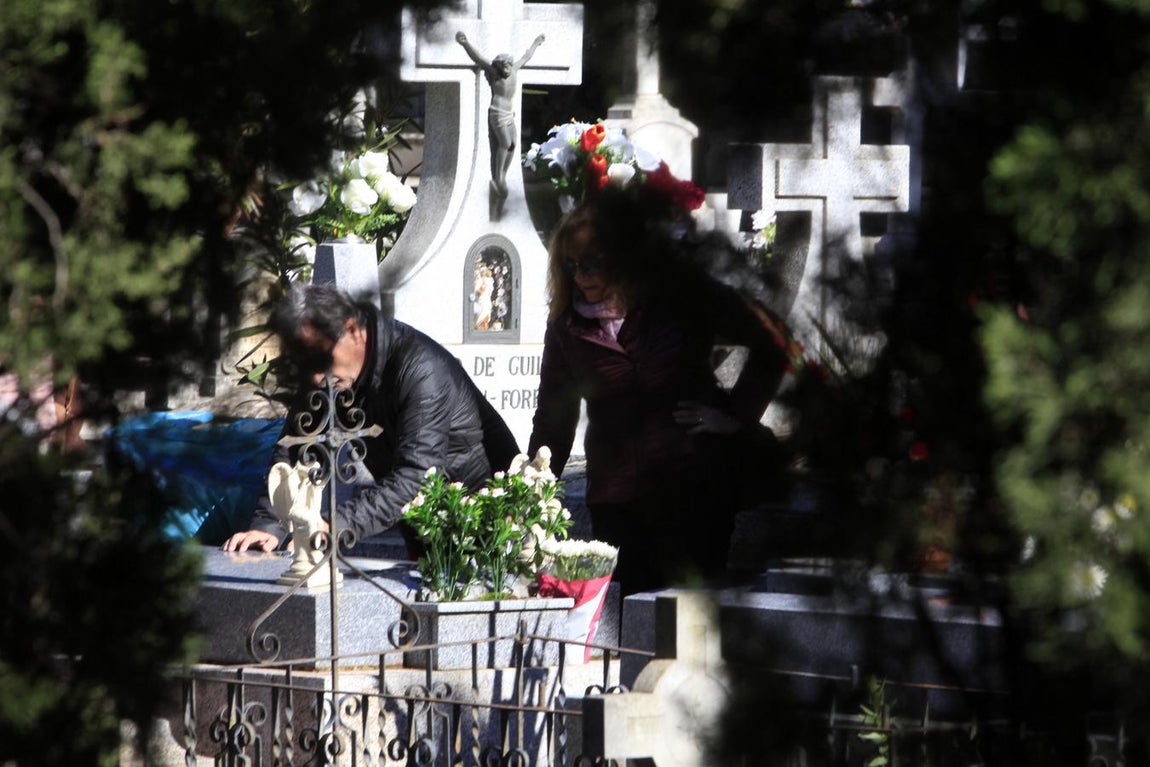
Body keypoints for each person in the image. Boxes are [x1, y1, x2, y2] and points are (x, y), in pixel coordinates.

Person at [527, 187, 789, 594]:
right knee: (629, 619)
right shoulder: (567, 327)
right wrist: (532, 494)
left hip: (694, 487)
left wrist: (736, 416)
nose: (580, 276)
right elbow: (553, 418)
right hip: (618, 498)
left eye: (591, 263)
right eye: (570, 265)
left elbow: (772, 338)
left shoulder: (679, 294)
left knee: (691, 620)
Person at [223, 283, 520, 552]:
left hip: (486, 518)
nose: (315, 376)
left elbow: (416, 477)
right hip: (425, 522)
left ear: (352, 329)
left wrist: (332, 525)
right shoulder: (329, 375)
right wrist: (268, 526)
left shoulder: (421, 369)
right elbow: (297, 447)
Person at [455, 30, 545, 220]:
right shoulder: (494, 72)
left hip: (509, 114)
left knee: (513, 145)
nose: (506, 69)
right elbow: (479, 58)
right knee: (503, 143)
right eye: (504, 66)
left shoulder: (514, 70)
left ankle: (502, 174)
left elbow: (526, 57)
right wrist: (465, 43)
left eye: (508, 66)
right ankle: (499, 178)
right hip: (496, 112)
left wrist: (536, 43)